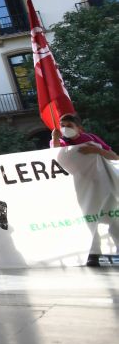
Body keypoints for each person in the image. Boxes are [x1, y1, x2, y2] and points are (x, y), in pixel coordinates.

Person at [51, 113, 119, 267]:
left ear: (79, 128)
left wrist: (97, 151)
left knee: (114, 218)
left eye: (69, 126)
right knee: (89, 220)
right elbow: (53, 154)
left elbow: (114, 157)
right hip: (81, 188)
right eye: (63, 126)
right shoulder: (59, 142)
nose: (65, 129)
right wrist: (55, 138)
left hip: (103, 184)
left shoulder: (91, 139)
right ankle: (94, 254)